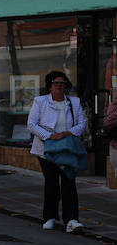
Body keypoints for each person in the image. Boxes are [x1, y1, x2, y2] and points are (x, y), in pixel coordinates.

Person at [28, 70, 88, 232]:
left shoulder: (74, 102)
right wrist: (49, 136)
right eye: (56, 83)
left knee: (69, 182)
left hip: (67, 148)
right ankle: (49, 217)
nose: (59, 87)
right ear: (50, 86)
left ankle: (71, 220)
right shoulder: (40, 101)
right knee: (51, 183)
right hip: (46, 150)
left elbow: (82, 124)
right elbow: (32, 124)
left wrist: (67, 133)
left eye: (62, 84)